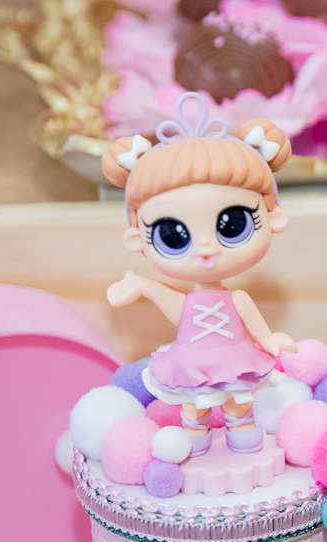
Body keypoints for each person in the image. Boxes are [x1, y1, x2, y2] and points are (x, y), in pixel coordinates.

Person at [103, 92, 297, 456]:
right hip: (191, 359)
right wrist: (142, 285)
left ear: (273, 218)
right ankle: (195, 438)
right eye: (173, 235)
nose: (206, 249)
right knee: (193, 405)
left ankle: (242, 433)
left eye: (233, 224)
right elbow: (181, 311)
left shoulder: (237, 298)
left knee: (238, 401)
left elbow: (259, 330)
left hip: (235, 357)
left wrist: (271, 340)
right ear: (136, 239)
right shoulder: (192, 301)